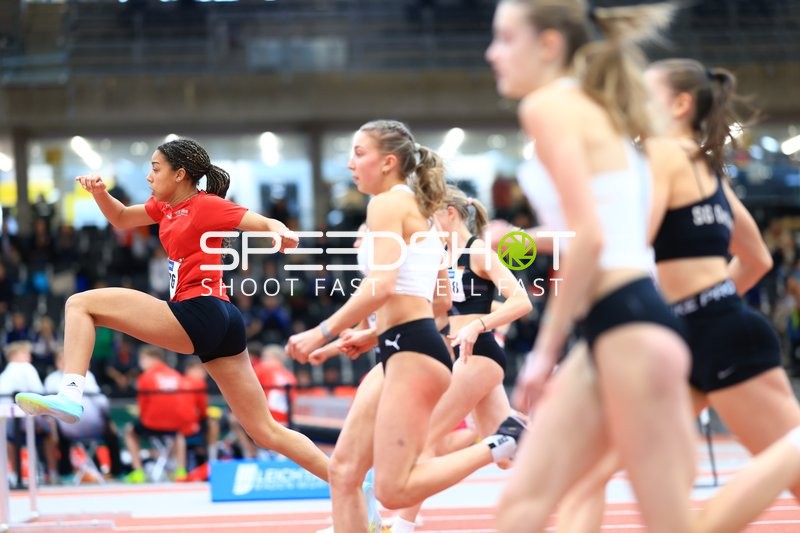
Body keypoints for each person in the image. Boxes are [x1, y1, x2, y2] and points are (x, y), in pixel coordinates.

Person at [554, 58, 800, 532]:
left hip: (720, 335)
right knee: (594, 464)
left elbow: (627, 241)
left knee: (789, 463)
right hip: (696, 330)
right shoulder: (707, 170)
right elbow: (757, 260)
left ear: (680, 104)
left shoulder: (663, 153)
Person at [484, 2, 697, 533]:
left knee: (663, 519)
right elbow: (599, 227)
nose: (492, 54)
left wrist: (544, 351)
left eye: (506, 39)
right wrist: (519, 240)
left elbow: (592, 236)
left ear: (550, 45)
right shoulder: (594, 107)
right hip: (626, 323)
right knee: (523, 507)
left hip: (626, 328)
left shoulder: (549, 106)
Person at [14, 137, 329, 482]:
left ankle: (71, 393)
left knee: (79, 304)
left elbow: (260, 220)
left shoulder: (206, 205)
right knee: (265, 430)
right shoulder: (163, 207)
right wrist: (100, 192)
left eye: (155, 168)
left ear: (180, 175)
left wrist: (280, 231)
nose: (149, 177)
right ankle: (351, 485)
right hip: (223, 321)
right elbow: (119, 217)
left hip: (200, 312)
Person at [286, 120, 523, 533]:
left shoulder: (388, 204)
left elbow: (382, 285)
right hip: (405, 343)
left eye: (359, 153)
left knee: (394, 490)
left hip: (416, 349)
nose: (349, 164)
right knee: (343, 472)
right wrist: (369, 333)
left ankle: (499, 441)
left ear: (388, 161)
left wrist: (321, 331)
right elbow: (441, 301)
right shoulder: (419, 214)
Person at [390, 184, 532, 532]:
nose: (426, 225)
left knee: (424, 440)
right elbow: (442, 316)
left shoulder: (479, 252)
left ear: (449, 214)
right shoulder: (443, 258)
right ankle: (557, 437)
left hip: (479, 356)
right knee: (506, 456)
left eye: (430, 217)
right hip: (463, 357)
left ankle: (400, 525)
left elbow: (521, 302)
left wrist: (477, 326)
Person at [44, 346, 124, 481]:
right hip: (68, 426)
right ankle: (65, 472)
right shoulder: (53, 379)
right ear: (57, 362)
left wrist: (107, 420)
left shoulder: (85, 375)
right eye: (62, 360)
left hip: (90, 425)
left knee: (111, 433)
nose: (64, 363)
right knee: (56, 431)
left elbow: (100, 402)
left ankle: (115, 472)